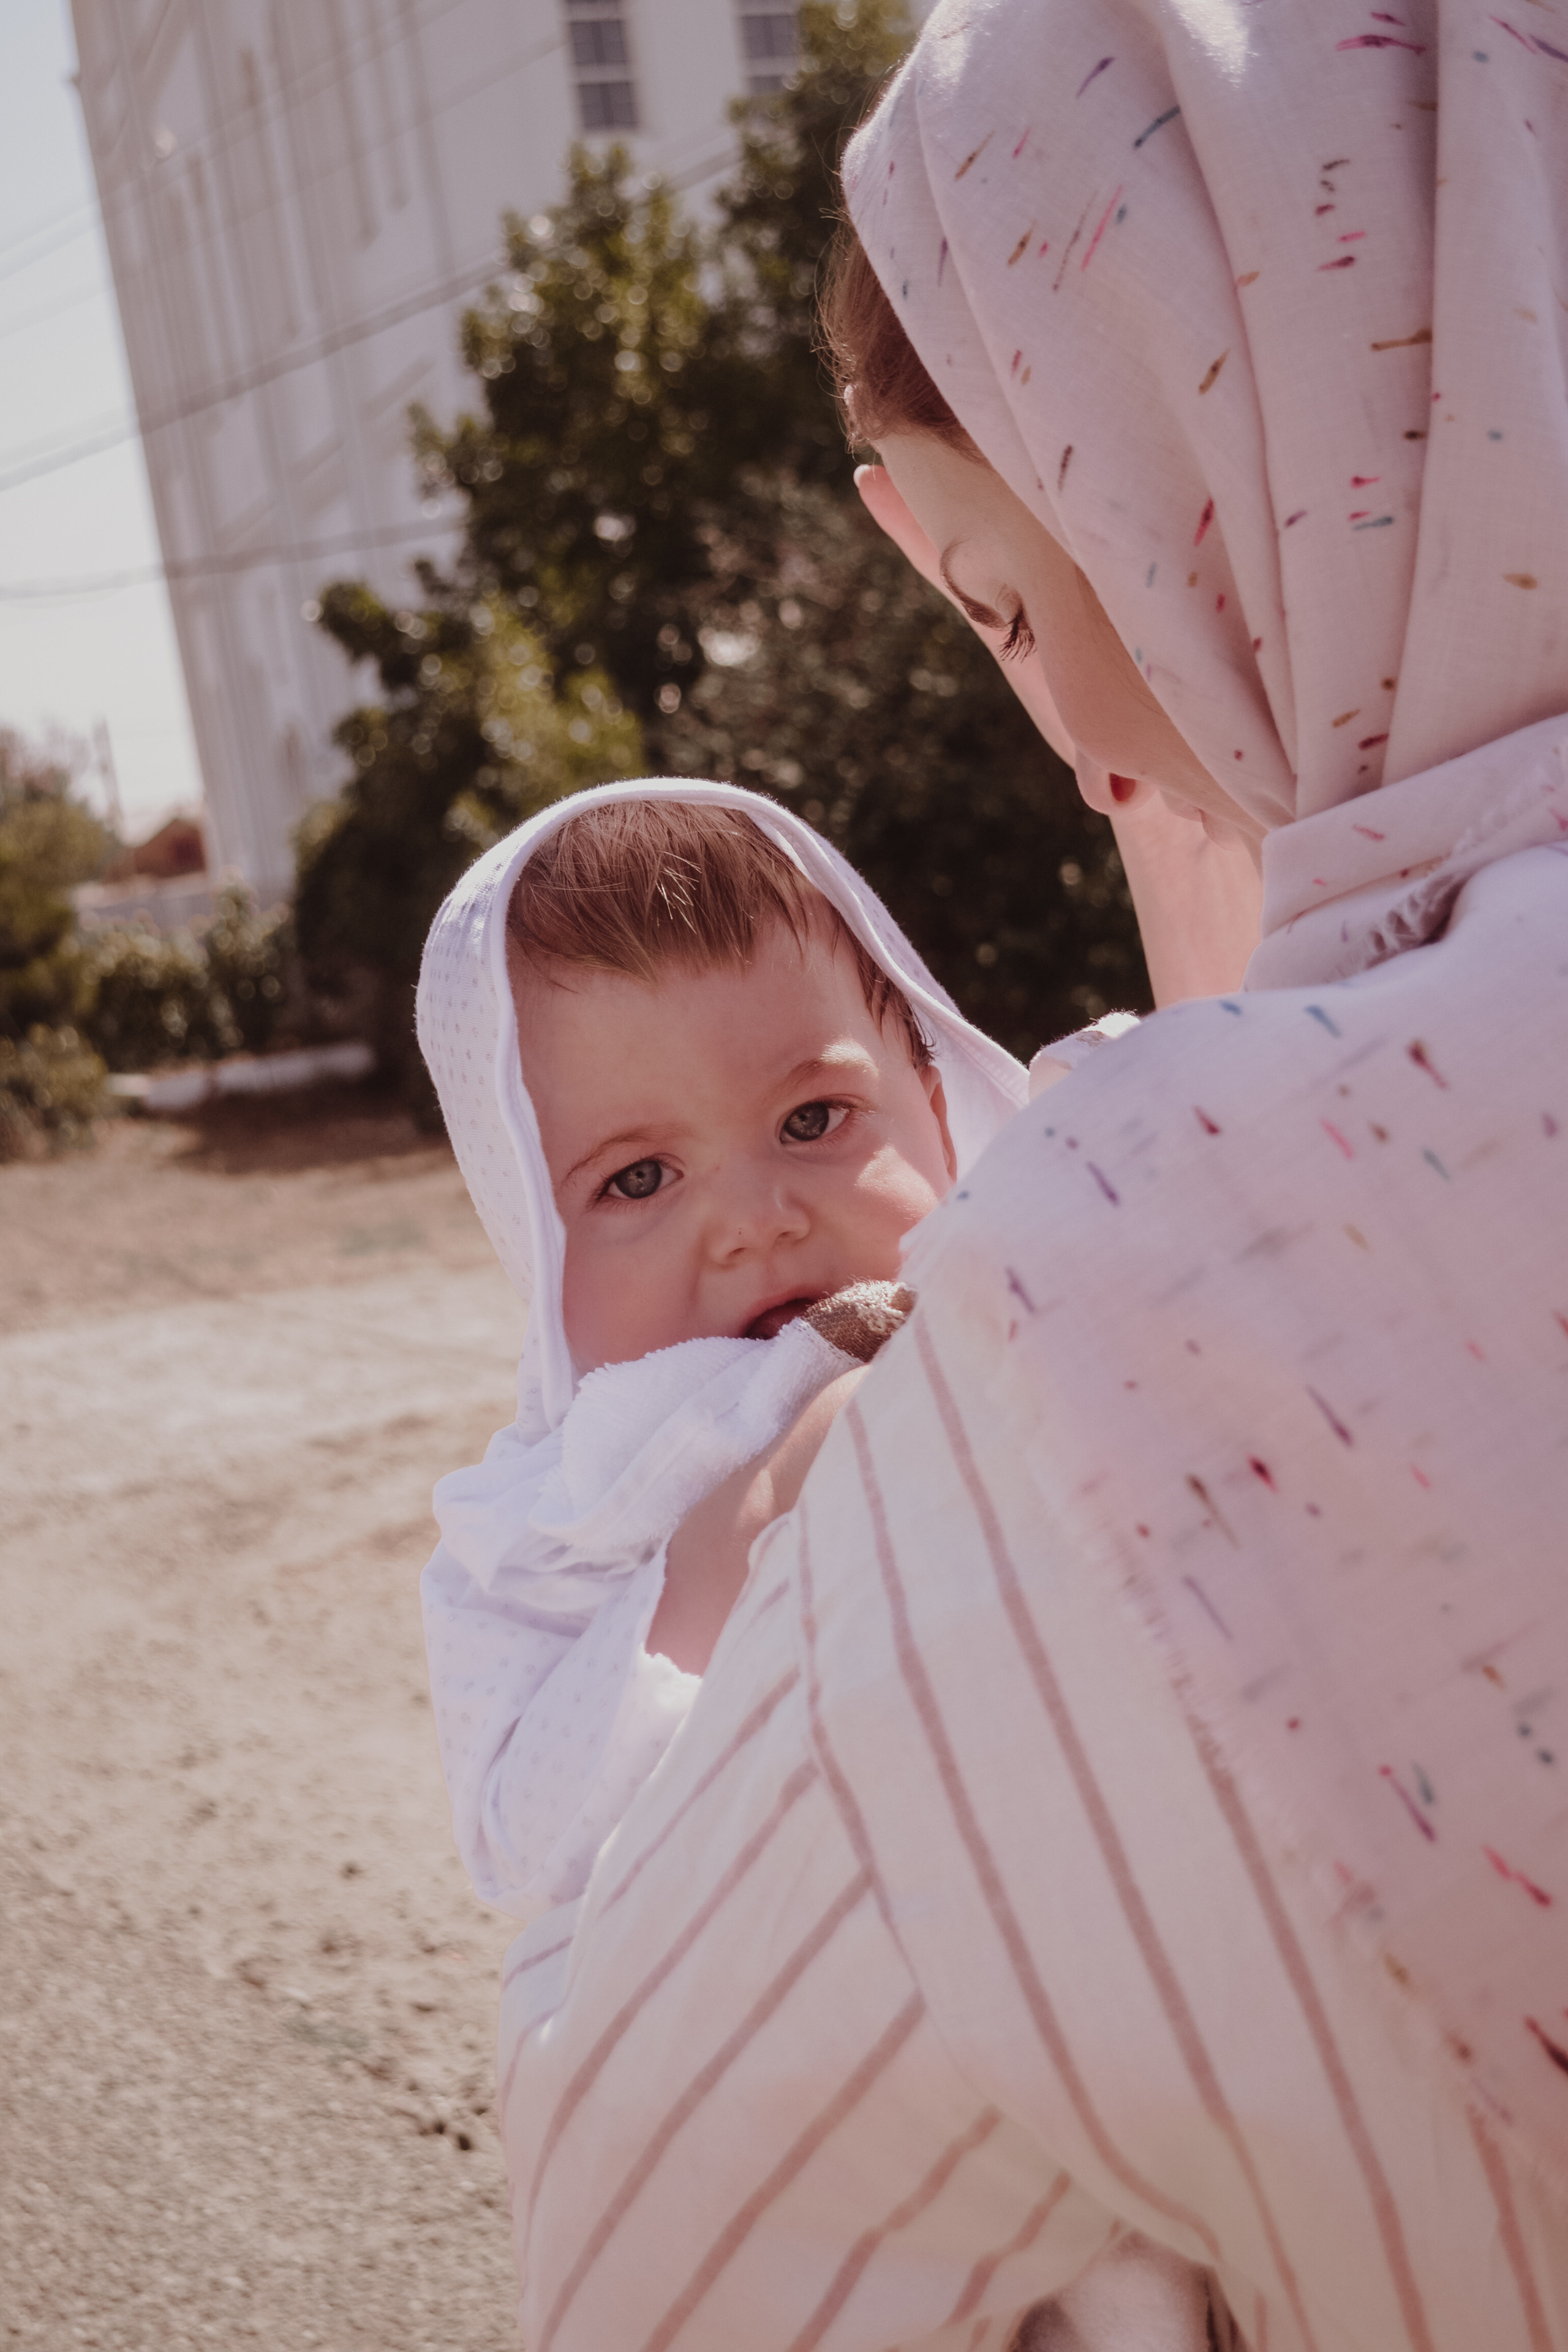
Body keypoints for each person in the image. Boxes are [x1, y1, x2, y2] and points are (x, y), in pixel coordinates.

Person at [481, 3, 1568, 2348]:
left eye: (1007, 603)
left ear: (1226, 472)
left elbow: (667, 2266)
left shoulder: (1146, 1299)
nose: (1072, 740)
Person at [417, 782, 1030, 1923]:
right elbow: (520, 1845)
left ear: (939, 1106)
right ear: (535, 1250)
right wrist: (732, 1536)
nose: (756, 1219)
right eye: (637, 1178)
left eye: (813, 1120)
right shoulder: (542, 1530)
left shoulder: (1029, 1289)